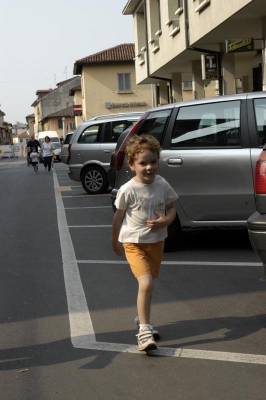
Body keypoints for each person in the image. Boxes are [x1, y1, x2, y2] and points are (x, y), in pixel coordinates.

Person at [112, 134, 178, 352]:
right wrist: (115, 240)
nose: (149, 167)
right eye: (143, 163)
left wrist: (166, 221)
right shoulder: (128, 189)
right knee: (146, 284)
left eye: (153, 162)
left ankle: (142, 320)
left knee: (150, 284)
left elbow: (171, 208)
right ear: (131, 165)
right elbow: (118, 217)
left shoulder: (162, 184)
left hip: (157, 241)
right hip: (134, 243)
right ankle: (144, 332)